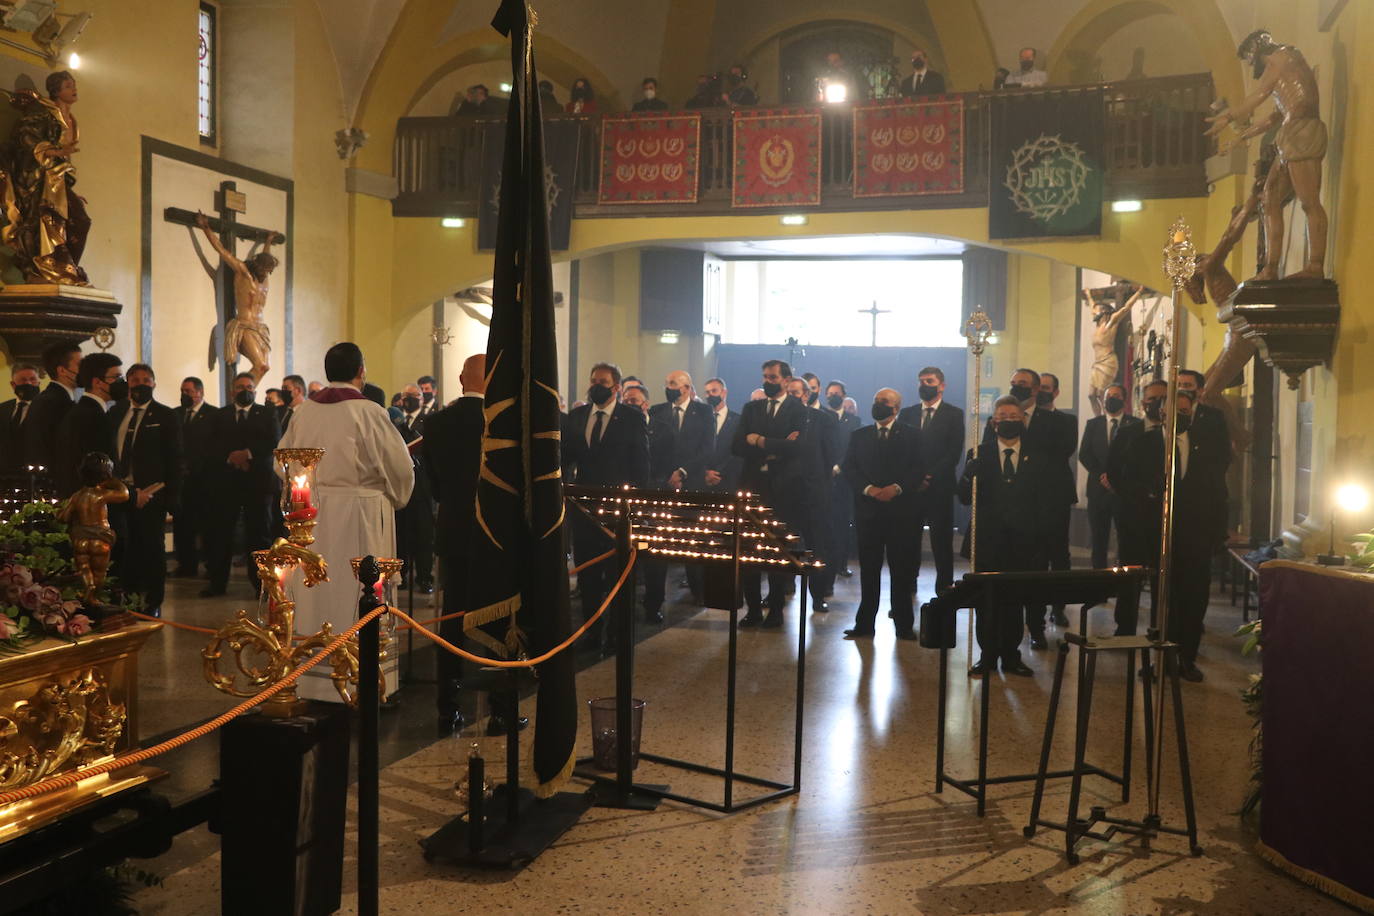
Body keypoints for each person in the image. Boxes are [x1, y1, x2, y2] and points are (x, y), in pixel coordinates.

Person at [277, 342, 415, 701]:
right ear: (361, 371)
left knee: (317, 592)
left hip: (313, 517)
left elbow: (284, 462)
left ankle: (314, 679)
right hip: (361, 514)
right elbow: (399, 467)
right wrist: (396, 497)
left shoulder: (304, 411)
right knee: (363, 589)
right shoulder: (369, 411)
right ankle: (363, 677)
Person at [1118, 390, 1228, 680]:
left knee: (1194, 598)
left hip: (1196, 534)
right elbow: (1129, 486)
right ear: (1162, 413)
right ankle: (1161, 658)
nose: (1180, 415)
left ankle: (1187, 658)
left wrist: (1218, 531)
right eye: (1174, 410)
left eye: (1185, 410)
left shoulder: (1206, 445)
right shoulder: (1144, 443)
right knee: (1163, 598)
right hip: (1158, 534)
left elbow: (1219, 489)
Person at [1205, 30, 1327, 280]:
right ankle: (1270, 269)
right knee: (1269, 197)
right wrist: (1242, 136)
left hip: (1303, 131)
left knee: (1309, 201)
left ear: (1259, 50)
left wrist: (1228, 116)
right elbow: (1274, 117)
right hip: (1291, 134)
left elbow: (1258, 95)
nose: (1255, 65)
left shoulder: (1281, 57)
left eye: (1252, 59)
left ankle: (1315, 266)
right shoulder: (1284, 75)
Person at [981, 368, 1075, 642]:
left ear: (1036, 390)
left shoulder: (1060, 421)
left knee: (1050, 560)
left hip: (1048, 503)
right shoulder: (997, 420)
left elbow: (1058, 456)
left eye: (1022, 384)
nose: (1016, 387)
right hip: (1008, 509)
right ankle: (1009, 627)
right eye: (1012, 384)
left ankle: (1046, 618)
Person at [959, 396, 1050, 677]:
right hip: (988, 539)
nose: (1008, 420)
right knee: (987, 601)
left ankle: (1011, 655)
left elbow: (1044, 501)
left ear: (1022, 420)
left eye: (1014, 416)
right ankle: (986, 655)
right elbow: (963, 498)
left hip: (1023, 540)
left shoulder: (1038, 455)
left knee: (1014, 602)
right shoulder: (979, 453)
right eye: (1003, 416)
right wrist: (967, 477)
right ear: (994, 422)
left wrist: (1041, 539)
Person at [563, 363, 649, 644]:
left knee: (616, 574)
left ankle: (617, 631)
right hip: (584, 508)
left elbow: (640, 464)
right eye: (592, 380)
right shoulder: (577, 416)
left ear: (616, 388)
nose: (595, 385)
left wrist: (637, 505)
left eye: (601, 381)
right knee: (587, 573)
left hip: (618, 509)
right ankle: (591, 629)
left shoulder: (632, 418)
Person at [422, 353, 486, 733]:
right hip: (493, 534)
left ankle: (448, 705)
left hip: (452, 529)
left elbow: (432, 481)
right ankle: (500, 707)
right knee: (497, 617)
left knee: (452, 620)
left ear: (461, 379)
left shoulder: (437, 423)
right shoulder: (500, 422)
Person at [732, 360, 809, 629]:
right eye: (765, 376)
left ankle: (775, 608)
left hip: (783, 490)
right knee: (751, 551)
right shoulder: (751, 408)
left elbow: (797, 448)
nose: (768, 381)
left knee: (778, 550)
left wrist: (759, 440)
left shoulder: (798, 409)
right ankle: (753, 608)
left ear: (787, 380)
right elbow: (737, 445)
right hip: (753, 487)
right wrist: (776, 445)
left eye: (773, 377)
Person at [842, 388, 923, 641]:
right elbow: (850, 468)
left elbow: (918, 468)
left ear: (896, 408)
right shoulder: (860, 435)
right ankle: (865, 624)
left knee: (901, 571)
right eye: (876, 400)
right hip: (869, 512)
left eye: (884, 402)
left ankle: (903, 624)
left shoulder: (912, 436)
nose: (878, 405)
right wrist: (870, 489)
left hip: (901, 513)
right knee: (869, 570)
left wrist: (896, 488)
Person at [107, 364, 179, 616]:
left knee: (151, 548)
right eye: (135, 379)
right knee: (125, 548)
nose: (141, 384)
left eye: (146, 380)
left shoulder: (166, 416)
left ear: (154, 383)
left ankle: (153, 601)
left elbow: (175, 459)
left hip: (152, 494)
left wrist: (170, 498)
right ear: (127, 383)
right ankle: (128, 597)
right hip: (120, 493)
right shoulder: (115, 414)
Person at [642, 370, 712, 623]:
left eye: (672, 383)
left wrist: (682, 471)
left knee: (692, 541)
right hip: (661, 486)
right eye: (666, 382)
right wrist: (664, 475)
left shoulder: (703, 412)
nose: (668, 387)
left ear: (685, 388)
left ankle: (698, 590)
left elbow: (707, 448)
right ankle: (654, 601)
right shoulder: (659, 411)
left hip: (691, 484)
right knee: (658, 546)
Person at [202, 371, 281, 598]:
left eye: (248, 387)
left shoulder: (267, 413)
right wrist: (231, 457)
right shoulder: (220, 415)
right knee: (221, 534)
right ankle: (217, 584)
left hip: (258, 483)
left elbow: (273, 440)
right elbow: (210, 443)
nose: (244, 390)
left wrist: (248, 454)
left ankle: (261, 586)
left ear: (254, 391)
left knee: (259, 534)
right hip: (226, 483)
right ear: (232, 390)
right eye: (240, 387)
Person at [194, 211, 283, 384]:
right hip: (244, 326)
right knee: (260, 364)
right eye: (264, 270)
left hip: (260, 329)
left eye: (269, 271)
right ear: (257, 266)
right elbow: (222, 250)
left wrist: (268, 241)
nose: (266, 274)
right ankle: (240, 392)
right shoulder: (243, 273)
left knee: (265, 367)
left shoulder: (264, 280)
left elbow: (265, 255)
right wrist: (205, 227)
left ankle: (244, 394)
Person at [897, 367, 963, 596]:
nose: (924, 385)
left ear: (941, 385)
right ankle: (908, 587)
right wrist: (915, 478)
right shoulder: (907, 413)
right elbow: (902, 451)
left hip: (940, 487)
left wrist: (929, 476)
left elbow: (953, 453)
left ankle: (944, 589)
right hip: (911, 489)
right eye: (921, 381)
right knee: (909, 541)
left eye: (930, 381)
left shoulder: (954, 414)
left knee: (942, 541)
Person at [785, 376, 840, 610]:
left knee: (817, 545)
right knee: (784, 544)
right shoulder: (780, 420)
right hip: (786, 493)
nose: (792, 397)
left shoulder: (824, 420)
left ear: (806, 395)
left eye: (796, 393)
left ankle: (818, 596)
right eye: (788, 393)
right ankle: (782, 590)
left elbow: (831, 455)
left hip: (814, 493)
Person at [1079, 383, 1140, 571]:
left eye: (1116, 395)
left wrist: (1117, 479)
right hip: (1098, 490)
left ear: (1124, 399)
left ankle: (1124, 583)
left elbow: (1138, 456)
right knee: (1099, 539)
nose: (1111, 399)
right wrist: (1103, 476)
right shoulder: (1093, 424)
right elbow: (1085, 454)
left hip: (1124, 491)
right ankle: (1099, 584)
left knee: (1126, 539)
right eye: (1108, 396)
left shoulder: (1135, 424)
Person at [1036, 372, 1079, 631]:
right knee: (1035, 554)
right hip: (1031, 495)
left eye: (1047, 388)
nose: (1042, 391)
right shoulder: (1025, 418)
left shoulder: (1066, 420)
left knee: (1059, 553)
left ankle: (1059, 607)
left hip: (1057, 494)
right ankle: (1035, 609)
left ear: (1056, 392)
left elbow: (1064, 449)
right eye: (1038, 387)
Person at [53, 353, 123, 497]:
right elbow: (104, 471)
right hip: (94, 502)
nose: (122, 383)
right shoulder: (96, 417)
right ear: (97, 382)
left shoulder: (79, 411)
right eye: (116, 377)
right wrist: (133, 495)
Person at [172, 376, 218, 579]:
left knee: (208, 526)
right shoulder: (174, 414)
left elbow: (215, 448)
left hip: (205, 480)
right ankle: (186, 564)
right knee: (183, 525)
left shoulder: (214, 415)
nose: (185, 395)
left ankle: (211, 564)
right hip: (182, 480)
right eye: (183, 391)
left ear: (200, 392)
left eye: (188, 391)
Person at [393, 383, 434, 593]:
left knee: (424, 535)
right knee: (403, 535)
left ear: (421, 398)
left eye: (414, 395)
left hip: (423, 486)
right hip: (403, 487)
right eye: (406, 396)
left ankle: (425, 577)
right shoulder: (396, 423)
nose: (410, 399)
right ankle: (404, 574)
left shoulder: (429, 421)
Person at [22, 341, 82, 475]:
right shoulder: (58, 402)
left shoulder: (45, 397)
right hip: (58, 483)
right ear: (62, 370)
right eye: (80, 365)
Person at [823, 380, 860, 577]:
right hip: (823, 478)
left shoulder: (853, 421)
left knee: (843, 524)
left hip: (844, 479)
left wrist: (838, 466)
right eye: (829, 393)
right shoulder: (822, 416)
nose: (832, 396)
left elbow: (852, 448)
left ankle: (841, 564)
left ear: (843, 395)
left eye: (836, 393)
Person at [1085, 286, 1139, 416]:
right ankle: (1099, 419)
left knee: (1102, 394)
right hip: (1097, 364)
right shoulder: (1097, 327)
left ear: (1104, 312)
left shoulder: (1111, 323)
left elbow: (1126, 308)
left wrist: (1139, 292)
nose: (1094, 312)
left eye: (1097, 311)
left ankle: (1107, 418)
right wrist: (1088, 294)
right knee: (1091, 395)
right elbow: (1092, 306)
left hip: (1108, 362)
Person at [701, 377, 742, 494]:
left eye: (714, 391)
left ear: (724, 392)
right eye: (707, 392)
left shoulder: (738, 420)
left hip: (727, 481)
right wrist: (705, 472)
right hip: (702, 480)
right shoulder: (700, 419)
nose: (710, 395)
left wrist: (719, 473)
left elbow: (737, 451)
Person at [0, 363, 41, 475]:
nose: (28, 383)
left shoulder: (47, 410)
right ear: (13, 385)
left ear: (39, 383)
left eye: (32, 379)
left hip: (36, 474)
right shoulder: (2, 409)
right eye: (23, 380)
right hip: (4, 474)